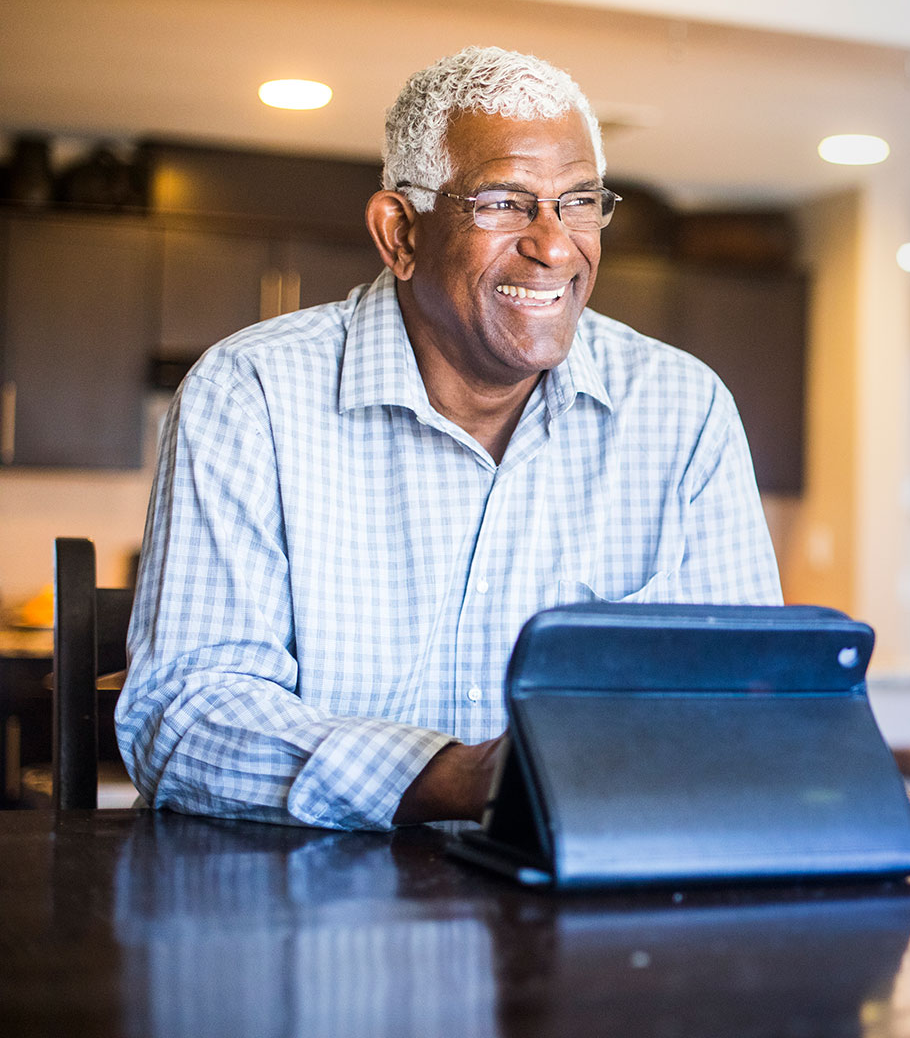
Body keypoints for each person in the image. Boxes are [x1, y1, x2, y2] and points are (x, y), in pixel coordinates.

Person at [117, 46, 783, 830]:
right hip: (317, 917)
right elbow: (184, 713)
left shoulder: (684, 409)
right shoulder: (251, 396)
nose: (556, 245)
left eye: (578, 201)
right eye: (504, 202)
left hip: (596, 915)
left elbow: (751, 705)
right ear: (399, 232)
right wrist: (453, 777)